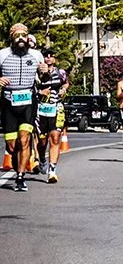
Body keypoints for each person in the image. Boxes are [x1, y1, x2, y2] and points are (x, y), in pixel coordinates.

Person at [0, 24, 46, 191]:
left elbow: (43, 78)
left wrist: (45, 72)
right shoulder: (2, 54)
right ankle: (17, 164)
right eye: (17, 35)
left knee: (25, 139)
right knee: (12, 146)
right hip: (8, 103)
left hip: (28, 102)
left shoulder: (36, 55)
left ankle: (20, 177)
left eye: (24, 35)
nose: (21, 38)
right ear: (11, 38)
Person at [36, 48, 70, 183]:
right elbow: (29, 87)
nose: (48, 58)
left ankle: (52, 171)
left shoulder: (60, 72)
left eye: (51, 56)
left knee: (55, 138)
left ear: (54, 59)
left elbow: (66, 83)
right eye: (46, 56)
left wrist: (63, 89)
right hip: (41, 109)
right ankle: (42, 159)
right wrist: (40, 92)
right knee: (42, 141)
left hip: (56, 107)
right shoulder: (36, 72)